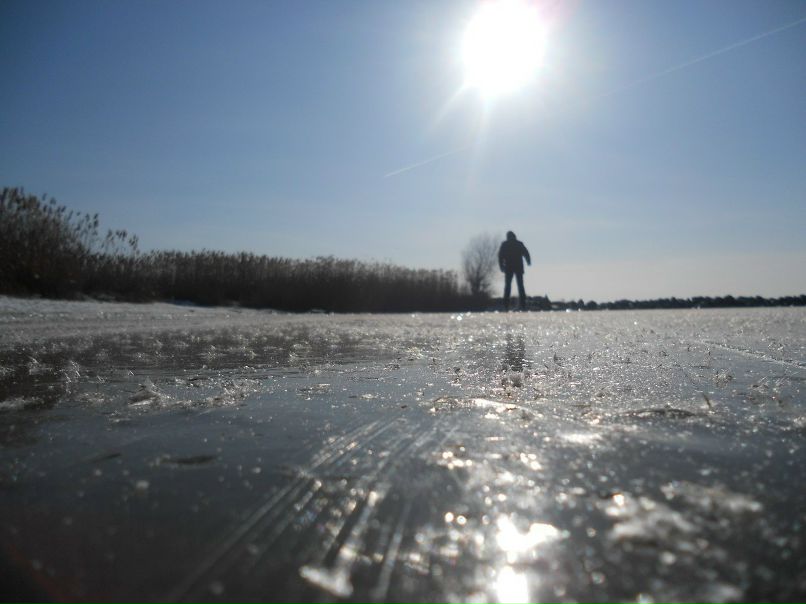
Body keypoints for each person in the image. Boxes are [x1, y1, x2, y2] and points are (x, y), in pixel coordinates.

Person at [498, 231, 531, 310]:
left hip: (509, 267)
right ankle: (522, 305)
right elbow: (526, 253)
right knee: (520, 286)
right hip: (518, 267)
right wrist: (528, 261)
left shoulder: (505, 244)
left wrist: (501, 266)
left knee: (508, 286)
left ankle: (506, 305)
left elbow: (500, 256)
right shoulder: (518, 244)